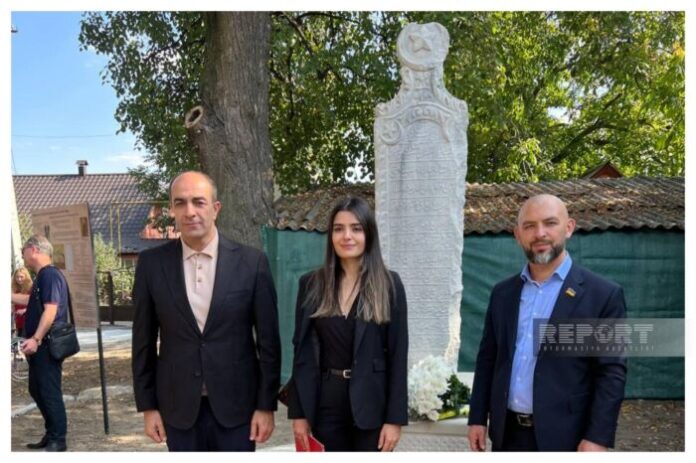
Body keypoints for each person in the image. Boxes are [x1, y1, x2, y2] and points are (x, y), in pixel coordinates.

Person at [132, 171, 281, 452]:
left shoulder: (252, 263)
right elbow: (142, 343)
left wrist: (265, 405)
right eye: (180, 203)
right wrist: (148, 406)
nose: (190, 212)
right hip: (177, 408)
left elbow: (269, 343)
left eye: (199, 202)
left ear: (216, 208)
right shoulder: (152, 265)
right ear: (172, 210)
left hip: (238, 408)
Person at [467, 194, 627, 452]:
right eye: (529, 226)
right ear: (517, 234)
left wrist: (597, 437)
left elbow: (610, 373)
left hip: (566, 438)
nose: (539, 233)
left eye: (550, 223)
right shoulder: (502, 293)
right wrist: (477, 417)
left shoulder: (602, 295)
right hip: (506, 435)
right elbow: (488, 358)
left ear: (569, 227)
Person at [286, 196, 409, 452]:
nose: (347, 236)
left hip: (372, 406)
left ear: (369, 234)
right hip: (324, 404)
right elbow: (301, 353)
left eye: (356, 228)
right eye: (338, 229)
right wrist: (298, 414)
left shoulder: (389, 284)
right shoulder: (311, 284)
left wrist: (394, 419)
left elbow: (399, 354)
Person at [11, 235, 70, 452]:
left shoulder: (50, 275)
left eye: (23, 248)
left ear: (34, 249)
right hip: (40, 347)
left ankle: (58, 439)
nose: (22, 253)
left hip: (46, 345)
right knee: (37, 389)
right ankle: (51, 432)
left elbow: (51, 310)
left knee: (48, 391)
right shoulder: (42, 277)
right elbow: (31, 301)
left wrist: (35, 339)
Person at [11, 267, 33, 337]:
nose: (19, 279)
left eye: (21, 277)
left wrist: (24, 310)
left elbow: (35, 304)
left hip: (28, 321)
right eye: (17, 277)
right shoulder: (15, 289)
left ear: (26, 277)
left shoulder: (31, 288)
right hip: (18, 322)